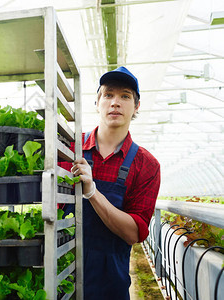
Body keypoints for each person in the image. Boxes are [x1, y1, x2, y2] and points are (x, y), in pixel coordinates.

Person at [59, 66, 161, 300]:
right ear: (97, 102)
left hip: (110, 285)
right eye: (108, 94)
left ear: (136, 106)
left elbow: (134, 232)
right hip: (62, 276)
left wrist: (92, 192)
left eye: (125, 96)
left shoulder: (146, 165)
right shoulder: (67, 149)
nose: (115, 102)